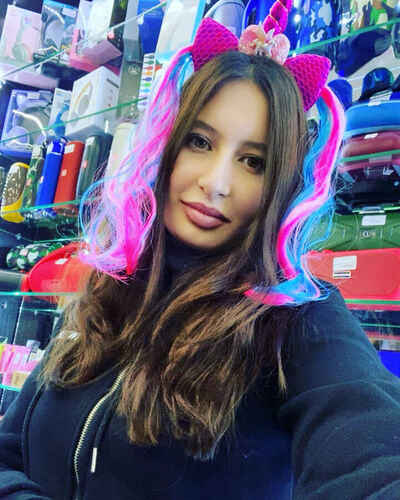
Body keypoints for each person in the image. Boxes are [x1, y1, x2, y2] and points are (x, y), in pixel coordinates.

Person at [1, 2, 400, 498]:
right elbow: (9, 449)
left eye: (253, 162)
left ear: (280, 186)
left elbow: (373, 450)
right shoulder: (111, 284)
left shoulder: (296, 318)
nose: (217, 183)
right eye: (200, 142)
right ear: (166, 145)